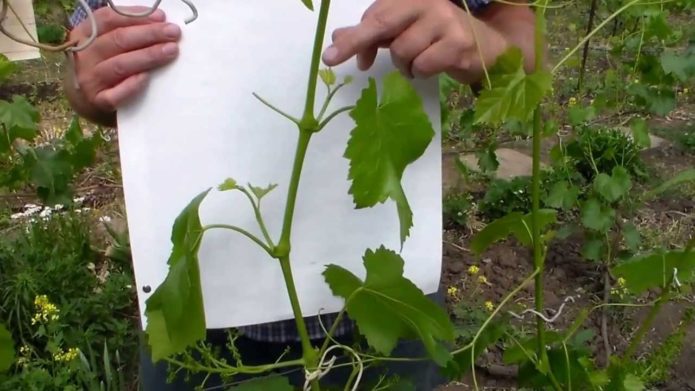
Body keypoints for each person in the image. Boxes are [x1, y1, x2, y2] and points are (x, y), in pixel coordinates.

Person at [62, 1, 537, 389]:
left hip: (386, 316)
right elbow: (83, 57)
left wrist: (487, 45)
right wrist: (91, 75)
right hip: (198, 323)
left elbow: (523, 40)